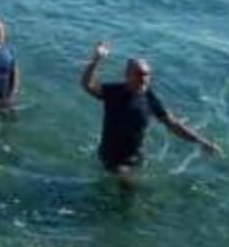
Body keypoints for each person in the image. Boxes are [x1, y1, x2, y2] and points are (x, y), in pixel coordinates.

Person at [80, 42, 221, 174]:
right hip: (111, 156)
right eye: (139, 74)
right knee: (128, 187)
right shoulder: (114, 92)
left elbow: (173, 125)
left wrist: (203, 142)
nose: (144, 79)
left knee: (131, 192)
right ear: (127, 75)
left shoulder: (150, 99)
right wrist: (96, 59)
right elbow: (87, 85)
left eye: (147, 75)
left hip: (135, 157)